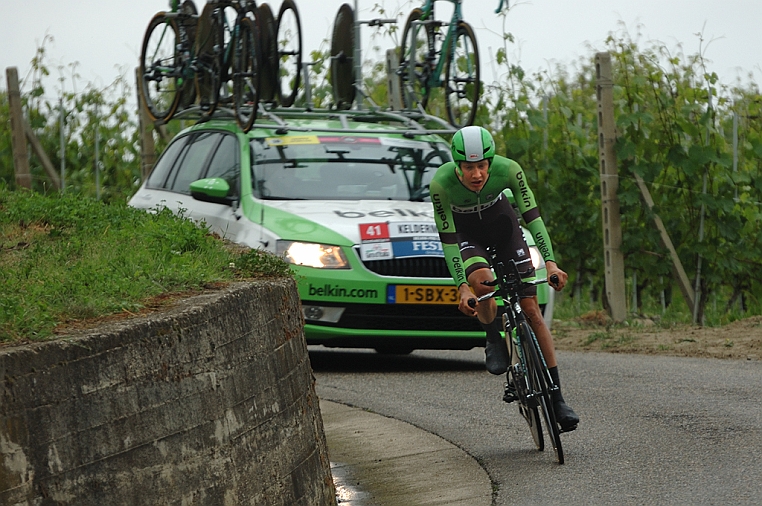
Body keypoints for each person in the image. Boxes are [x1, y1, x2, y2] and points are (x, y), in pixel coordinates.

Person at [430, 125, 579, 430]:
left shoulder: (509, 170)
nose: (477, 175)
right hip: (467, 233)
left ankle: (558, 399)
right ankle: (492, 336)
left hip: (502, 226)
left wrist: (550, 263)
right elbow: (448, 242)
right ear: (457, 165)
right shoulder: (441, 185)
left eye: (482, 166)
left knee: (532, 310)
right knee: (483, 281)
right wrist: (461, 287)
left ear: (490, 162)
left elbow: (533, 217)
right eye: (469, 167)